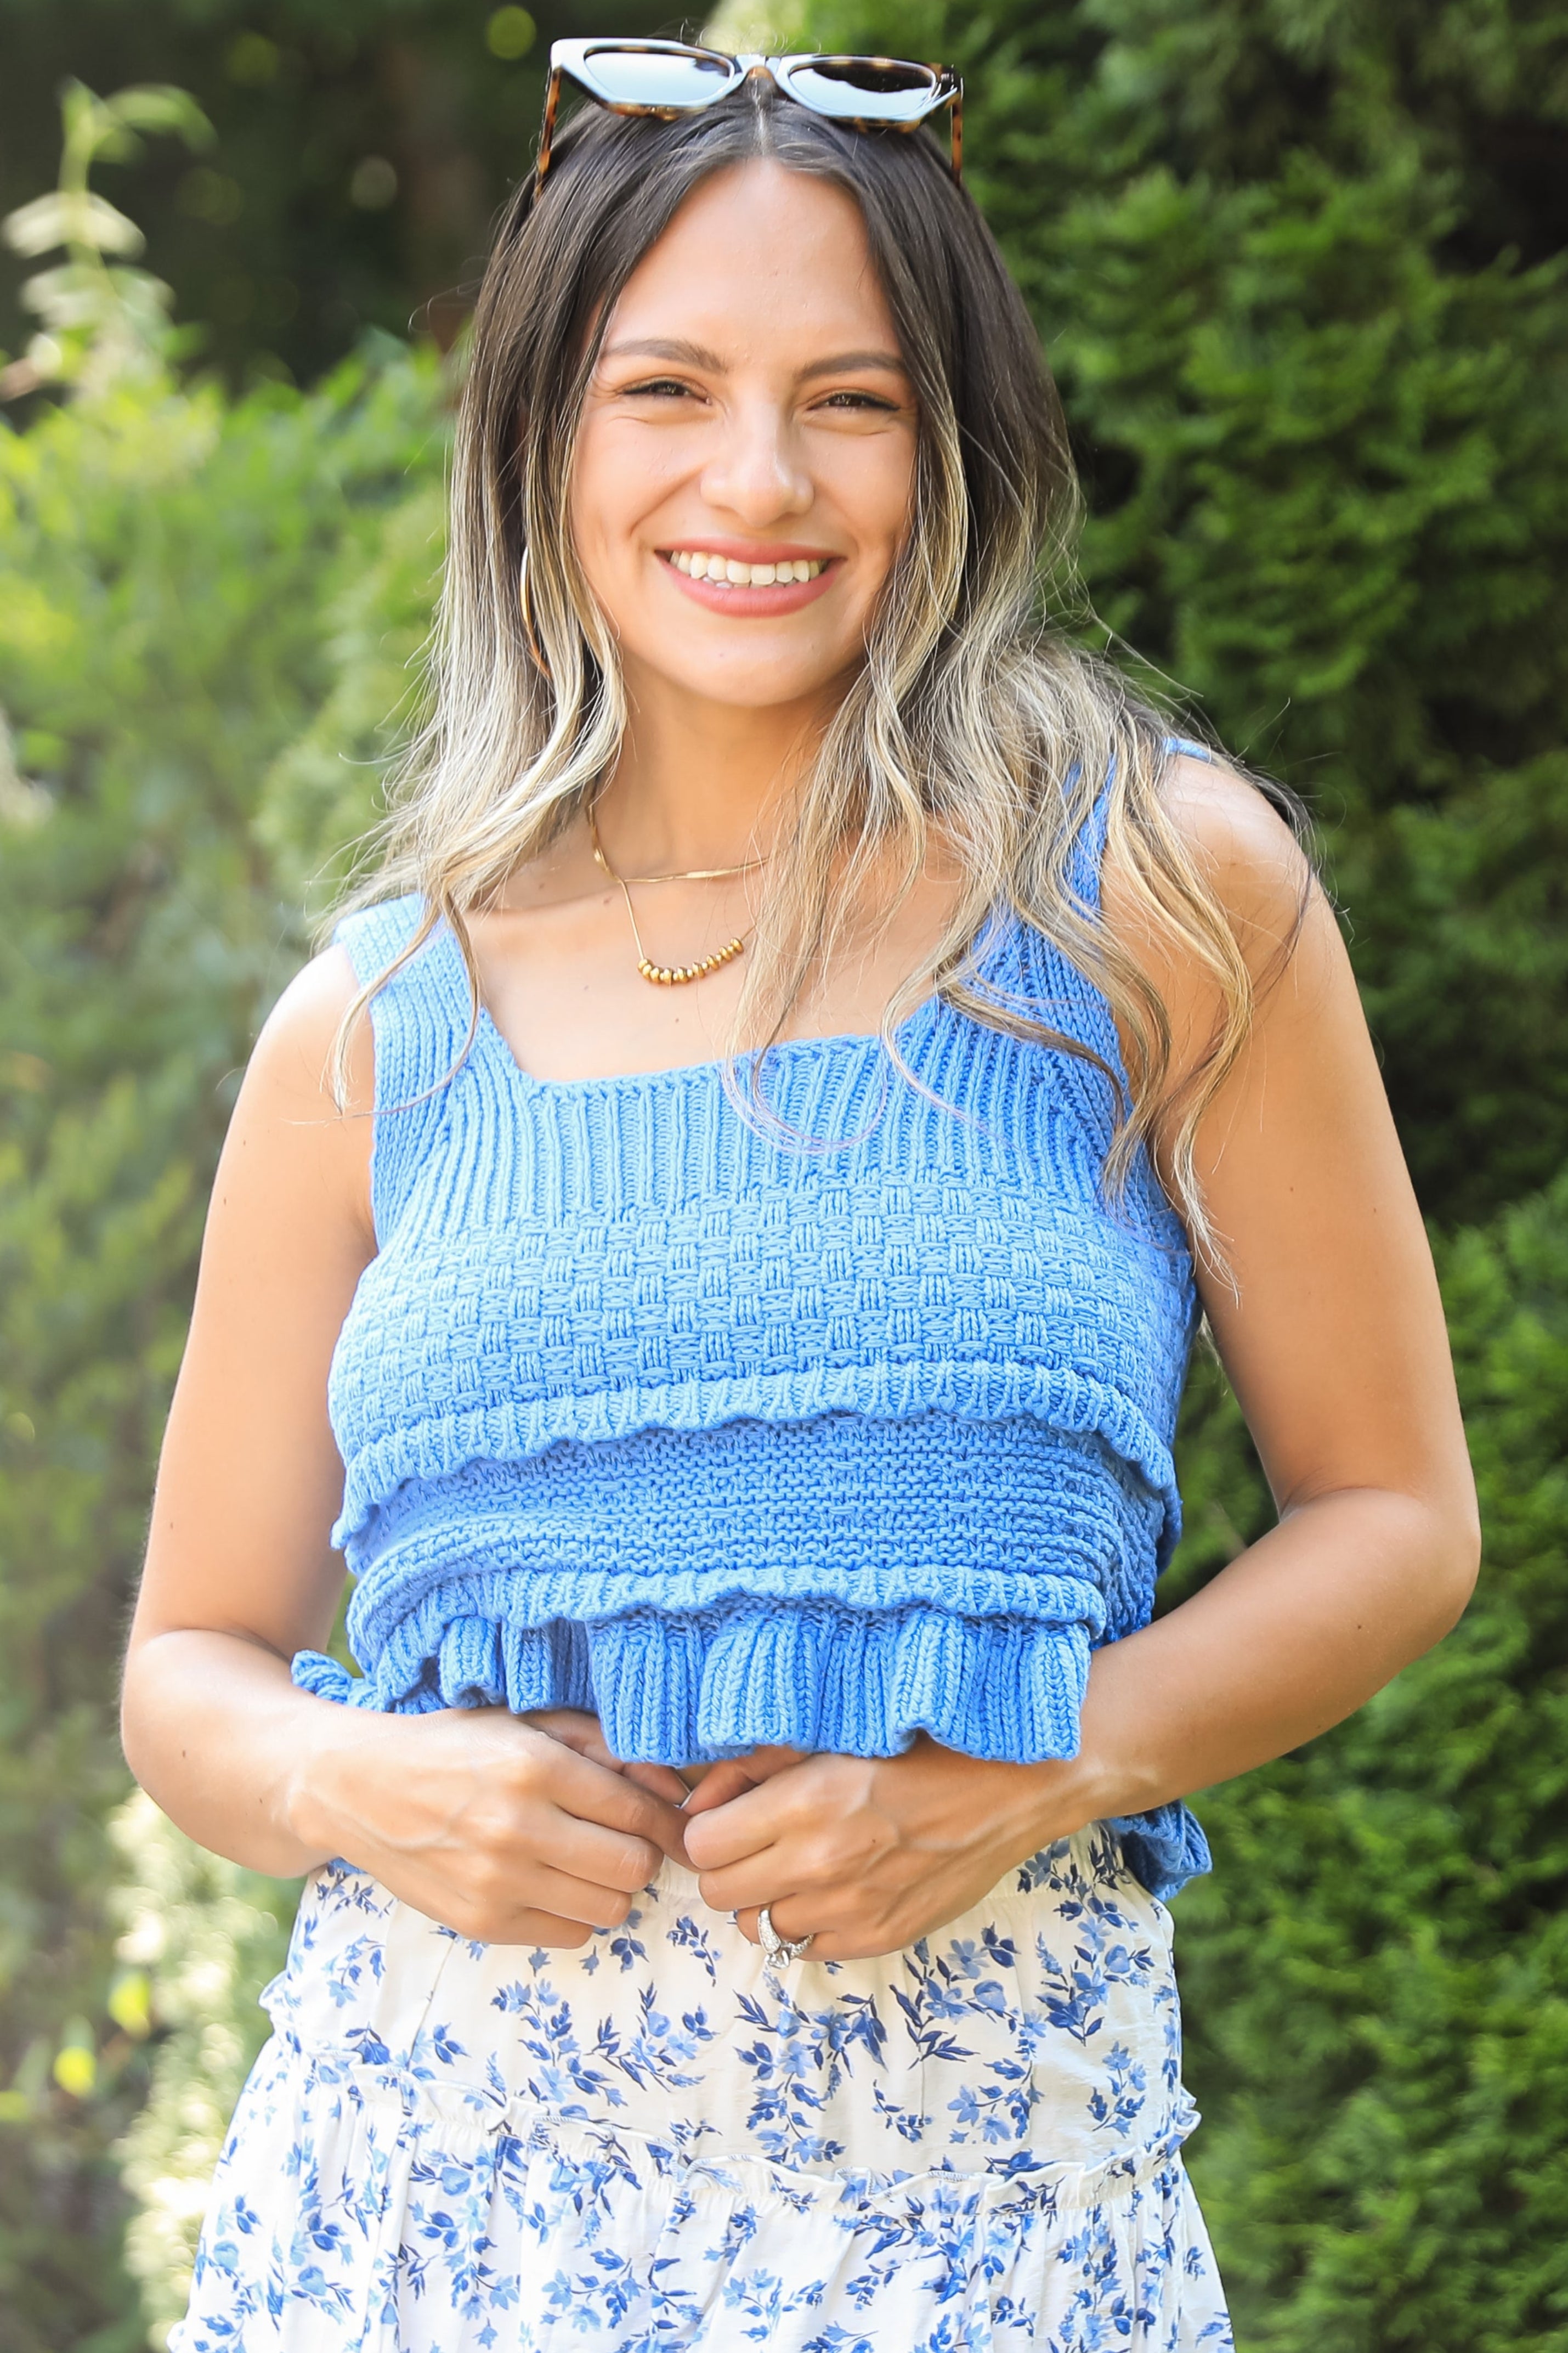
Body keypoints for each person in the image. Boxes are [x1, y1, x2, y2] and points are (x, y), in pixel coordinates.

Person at [123, 43, 1479, 2351]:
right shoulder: (370, 1024)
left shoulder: (1156, 896)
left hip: (995, 2239)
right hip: (408, 2242)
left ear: (950, 446)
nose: (758, 477)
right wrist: (359, 1775)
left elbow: (1395, 1516)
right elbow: (187, 1666)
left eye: (847, 398)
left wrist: (1052, 1760)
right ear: (544, 429)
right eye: (666, 386)